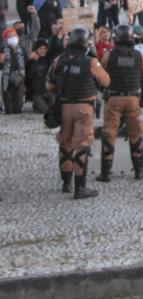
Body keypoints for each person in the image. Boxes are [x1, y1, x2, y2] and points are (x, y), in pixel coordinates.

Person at [47, 27, 111, 199]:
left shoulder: (58, 60)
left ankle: (66, 183)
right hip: (84, 107)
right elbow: (106, 80)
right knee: (82, 145)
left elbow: (49, 85)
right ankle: (80, 187)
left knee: (66, 143)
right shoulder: (90, 62)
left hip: (64, 106)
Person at [96, 24, 143, 182]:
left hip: (114, 98)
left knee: (109, 134)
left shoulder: (109, 55)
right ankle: (139, 171)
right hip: (133, 99)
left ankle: (105, 173)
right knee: (136, 134)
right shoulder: (138, 56)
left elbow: (102, 76)